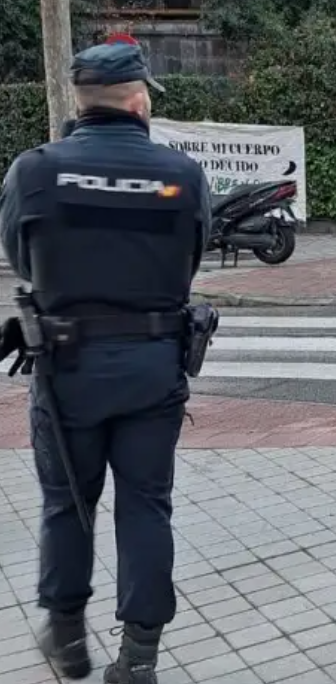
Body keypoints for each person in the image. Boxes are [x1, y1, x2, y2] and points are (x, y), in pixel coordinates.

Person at [0, 41, 211, 683]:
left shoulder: (34, 171)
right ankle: (139, 661)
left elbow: (19, 254)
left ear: (80, 101)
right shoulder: (181, 175)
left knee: (68, 504)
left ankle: (67, 641)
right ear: (140, 99)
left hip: (66, 370)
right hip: (152, 366)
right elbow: (193, 256)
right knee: (147, 506)